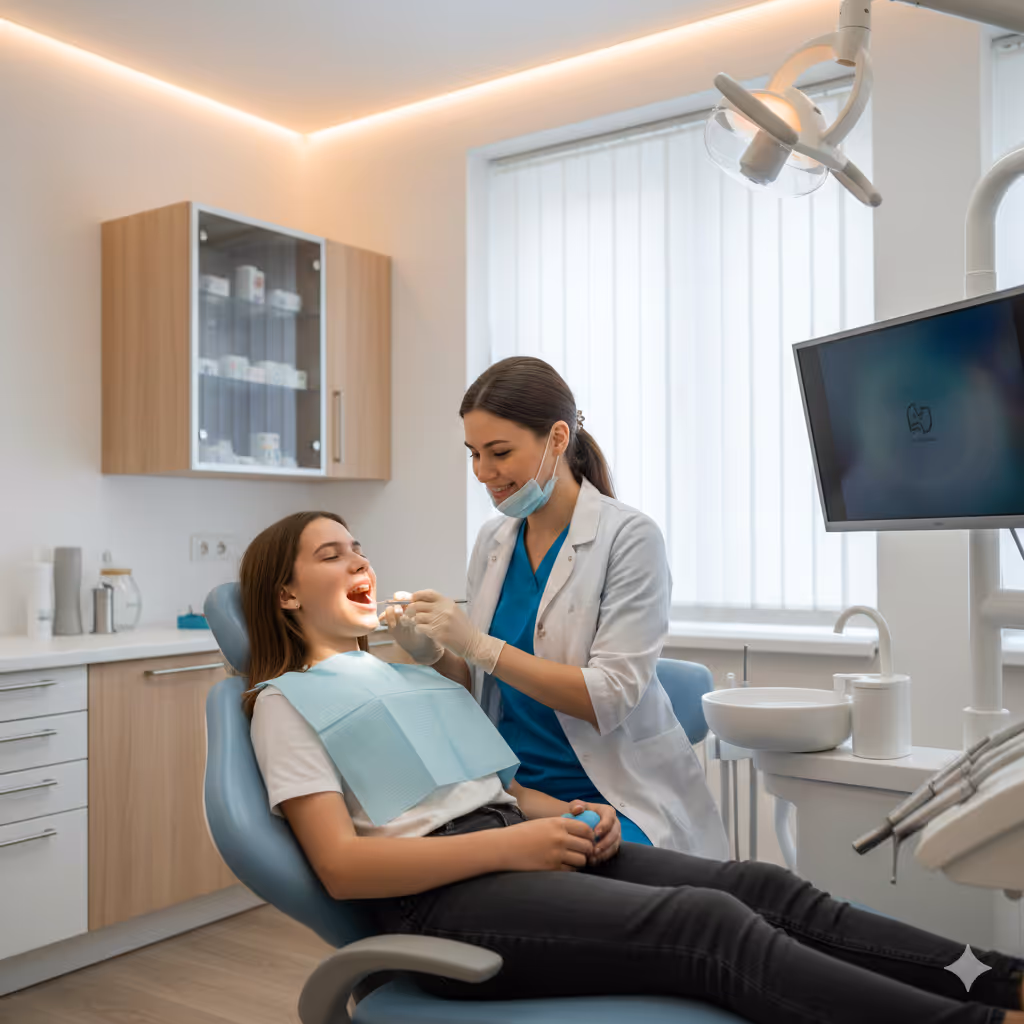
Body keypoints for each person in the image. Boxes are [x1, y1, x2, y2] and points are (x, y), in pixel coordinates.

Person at [241, 510, 1024, 1024]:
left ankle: (1000, 977)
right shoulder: (285, 703)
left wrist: (568, 817)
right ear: (284, 593)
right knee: (709, 926)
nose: (358, 559)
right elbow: (342, 868)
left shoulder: (409, 674)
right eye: (330, 553)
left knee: (761, 886)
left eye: (360, 547)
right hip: (439, 901)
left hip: (514, 849)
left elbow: (496, 789)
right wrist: (513, 844)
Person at [381, 356, 728, 857]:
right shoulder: (493, 541)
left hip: (615, 794)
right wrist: (436, 653)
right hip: (516, 790)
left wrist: (477, 643)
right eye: (473, 454)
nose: (483, 472)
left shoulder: (629, 537)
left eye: (499, 452)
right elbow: (482, 691)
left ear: (558, 439)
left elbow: (606, 696)